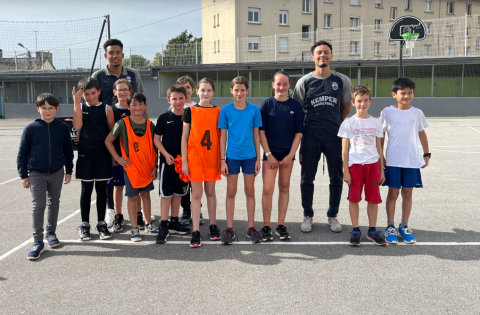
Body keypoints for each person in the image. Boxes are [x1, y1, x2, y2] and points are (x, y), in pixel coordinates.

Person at [292, 40, 352, 234]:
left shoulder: (342, 80)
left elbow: (345, 108)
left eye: (326, 52)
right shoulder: (304, 81)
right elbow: (298, 109)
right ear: (313, 57)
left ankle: (332, 215)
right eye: (319, 53)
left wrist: (334, 125)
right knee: (306, 178)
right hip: (310, 136)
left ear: (331, 56)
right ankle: (307, 215)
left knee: (337, 177)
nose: (322, 56)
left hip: (335, 138)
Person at [91, 38, 149, 227]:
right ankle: (113, 212)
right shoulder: (98, 76)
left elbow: (140, 100)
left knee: (135, 174)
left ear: (122, 55)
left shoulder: (133, 73)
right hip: (108, 132)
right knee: (113, 177)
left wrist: (146, 126)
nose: (114, 55)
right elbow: (90, 100)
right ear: (105, 55)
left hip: (132, 135)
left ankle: (139, 213)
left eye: (117, 52)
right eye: (110, 53)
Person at [17, 93, 74, 260]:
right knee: (38, 206)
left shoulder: (63, 127)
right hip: (36, 173)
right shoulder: (30, 128)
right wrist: (23, 174)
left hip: (57, 171)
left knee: (54, 202)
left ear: (57, 109)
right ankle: (37, 241)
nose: (47, 111)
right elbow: (22, 153)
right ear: (38, 109)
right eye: (44, 108)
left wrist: (69, 170)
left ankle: (51, 232)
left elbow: (68, 152)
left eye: (51, 108)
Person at [380, 78, 430, 245]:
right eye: (403, 93)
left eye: (410, 92)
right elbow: (381, 135)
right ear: (394, 94)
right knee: (393, 194)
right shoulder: (387, 112)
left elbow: (422, 133)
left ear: (413, 94)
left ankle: (404, 226)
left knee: (407, 194)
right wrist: (381, 157)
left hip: (411, 160)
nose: (406, 96)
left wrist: (426, 153)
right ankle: (390, 226)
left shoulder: (417, 113)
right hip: (393, 161)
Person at [105, 92, 159, 242]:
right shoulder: (122, 123)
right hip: (131, 168)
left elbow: (155, 147)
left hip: (147, 167)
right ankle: (134, 228)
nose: (137, 107)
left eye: (140, 104)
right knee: (132, 197)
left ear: (145, 106)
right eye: (134, 104)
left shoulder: (150, 125)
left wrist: (155, 166)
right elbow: (108, 141)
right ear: (128, 106)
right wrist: (118, 158)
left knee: (146, 196)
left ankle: (148, 224)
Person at [337, 86, 386, 246]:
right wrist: (346, 171)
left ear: (370, 101)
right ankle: (356, 230)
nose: (362, 104)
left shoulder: (376, 122)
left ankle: (372, 230)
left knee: (373, 199)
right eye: (359, 101)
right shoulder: (348, 123)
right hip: (355, 166)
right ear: (353, 102)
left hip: (373, 166)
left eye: (366, 100)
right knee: (354, 198)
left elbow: (379, 147)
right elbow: (344, 150)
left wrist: (381, 169)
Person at [219, 76, 262, 245]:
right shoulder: (226, 110)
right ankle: (229, 228)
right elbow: (223, 138)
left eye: (242, 90)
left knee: (250, 191)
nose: (239, 93)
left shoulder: (254, 110)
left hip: (250, 156)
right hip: (232, 157)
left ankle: (251, 227)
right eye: (236, 90)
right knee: (231, 192)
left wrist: (258, 158)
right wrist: (223, 160)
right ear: (231, 90)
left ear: (247, 91)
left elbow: (256, 135)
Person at [259, 71, 303, 241]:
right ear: (273, 85)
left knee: (284, 187)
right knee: (267, 190)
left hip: (287, 154)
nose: (282, 87)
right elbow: (261, 132)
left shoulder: (295, 106)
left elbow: (298, 133)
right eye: (278, 84)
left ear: (289, 85)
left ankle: (281, 224)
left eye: (285, 84)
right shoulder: (267, 105)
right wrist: (268, 154)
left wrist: (291, 155)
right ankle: (266, 225)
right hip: (270, 153)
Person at [72, 77, 114, 241]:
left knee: (102, 190)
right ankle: (84, 225)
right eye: (86, 94)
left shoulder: (107, 109)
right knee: (86, 190)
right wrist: (76, 104)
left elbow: (112, 133)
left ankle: (102, 224)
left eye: (92, 93)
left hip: (103, 155)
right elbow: (77, 126)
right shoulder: (80, 107)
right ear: (81, 95)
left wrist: (113, 156)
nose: (90, 96)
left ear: (99, 92)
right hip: (85, 155)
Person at [182, 78, 222, 247]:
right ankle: (196, 230)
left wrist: (222, 159)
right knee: (196, 194)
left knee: (211, 192)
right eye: (202, 90)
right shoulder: (190, 111)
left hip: (212, 156)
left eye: (209, 90)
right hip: (195, 157)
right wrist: (184, 161)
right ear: (196, 91)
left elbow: (222, 137)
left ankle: (213, 225)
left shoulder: (219, 111)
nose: (205, 93)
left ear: (213, 92)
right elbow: (184, 138)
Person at [154, 85, 192, 244]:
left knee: (178, 193)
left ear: (186, 99)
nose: (178, 101)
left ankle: (174, 221)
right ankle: (163, 225)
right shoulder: (164, 117)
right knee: (166, 195)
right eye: (174, 99)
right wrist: (165, 154)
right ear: (168, 100)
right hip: (168, 163)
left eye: (181, 98)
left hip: (184, 164)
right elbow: (156, 139)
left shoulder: (190, 116)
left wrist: (187, 159)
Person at [170, 75, 205, 227]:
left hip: (195, 151)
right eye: (182, 87)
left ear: (192, 89)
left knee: (196, 184)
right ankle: (185, 210)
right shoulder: (174, 106)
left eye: (188, 87)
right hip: (179, 150)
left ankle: (197, 209)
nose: (186, 90)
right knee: (183, 183)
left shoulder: (198, 106)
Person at [108, 78, 132, 233]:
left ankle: (138, 214)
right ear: (114, 92)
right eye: (120, 89)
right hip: (118, 155)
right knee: (118, 186)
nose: (122, 92)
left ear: (130, 91)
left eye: (125, 89)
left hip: (134, 155)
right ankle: (118, 215)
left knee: (136, 186)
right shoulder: (111, 110)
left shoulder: (136, 107)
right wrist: (115, 157)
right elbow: (111, 136)